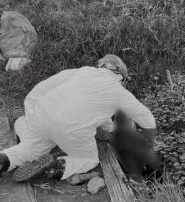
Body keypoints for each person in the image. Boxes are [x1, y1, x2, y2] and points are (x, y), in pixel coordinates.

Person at [0, 54, 157, 182]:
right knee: (88, 159)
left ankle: (5, 158)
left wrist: (32, 113)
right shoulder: (117, 90)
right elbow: (146, 117)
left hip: (43, 116)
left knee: (30, 148)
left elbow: (43, 87)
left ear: (102, 66)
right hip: (70, 128)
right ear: (118, 72)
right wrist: (149, 143)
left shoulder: (80, 71)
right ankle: (58, 166)